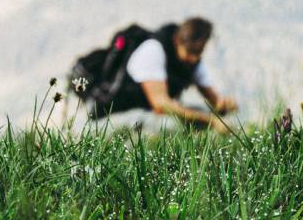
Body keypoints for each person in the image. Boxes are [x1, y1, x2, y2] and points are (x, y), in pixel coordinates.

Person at [72, 17, 238, 133]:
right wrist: (211, 121)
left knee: (195, 117)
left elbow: (214, 102)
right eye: (190, 52)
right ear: (178, 41)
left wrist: (224, 106)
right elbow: (162, 105)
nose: (194, 58)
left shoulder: (192, 63)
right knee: (171, 124)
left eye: (199, 52)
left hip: (145, 116)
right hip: (113, 117)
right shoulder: (153, 50)